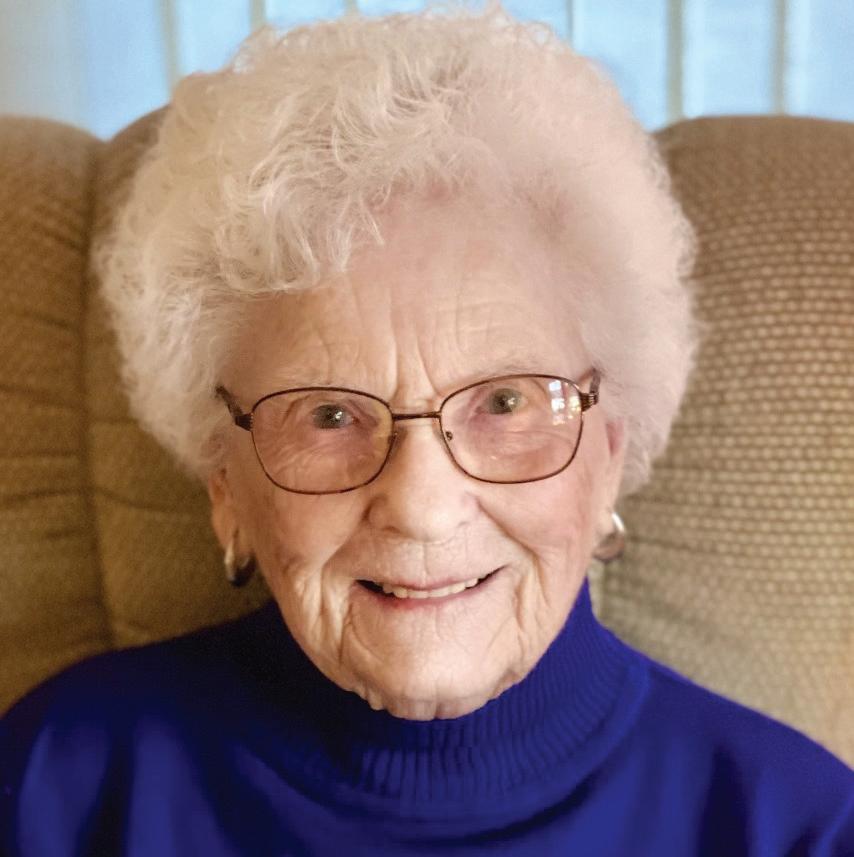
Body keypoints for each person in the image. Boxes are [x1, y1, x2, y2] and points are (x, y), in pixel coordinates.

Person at [1, 4, 852, 855]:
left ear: (610, 449)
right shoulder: (60, 786)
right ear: (225, 485)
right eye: (331, 415)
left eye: (505, 403)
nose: (421, 506)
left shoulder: (796, 826)